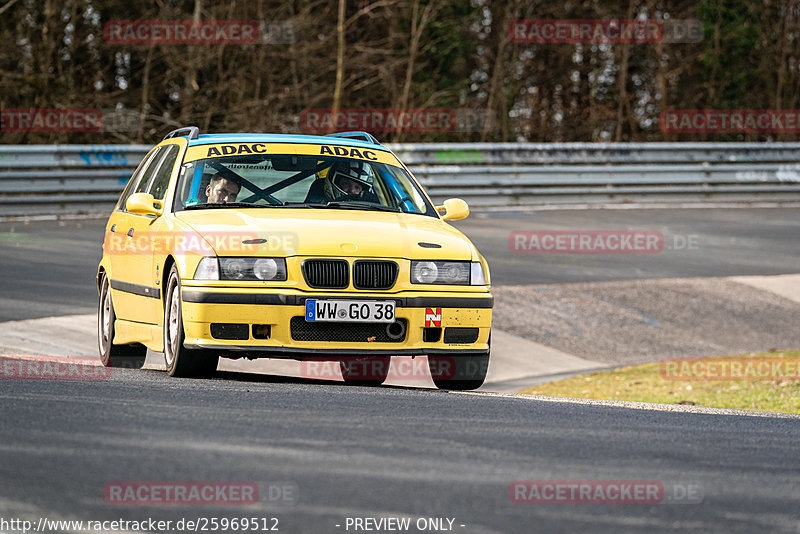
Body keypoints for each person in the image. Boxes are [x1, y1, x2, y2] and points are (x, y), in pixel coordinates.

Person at [305, 161, 379, 203]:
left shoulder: (374, 214)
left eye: (357, 188)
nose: (352, 191)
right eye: (346, 183)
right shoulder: (311, 214)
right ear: (332, 180)